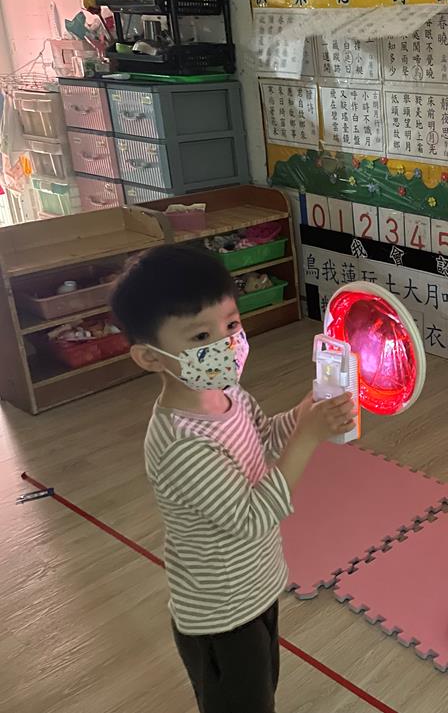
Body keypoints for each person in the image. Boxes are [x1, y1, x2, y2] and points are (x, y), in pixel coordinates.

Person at [110, 244, 357, 713]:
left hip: (256, 589)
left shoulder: (228, 394)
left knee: (262, 693)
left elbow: (264, 438)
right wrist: (308, 437)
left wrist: (305, 413)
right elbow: (251, 517)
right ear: (150, 357)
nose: (225, 345)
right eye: (201, 336)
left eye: (231, 325)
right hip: (220, 617)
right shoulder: (182, 443)